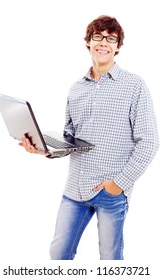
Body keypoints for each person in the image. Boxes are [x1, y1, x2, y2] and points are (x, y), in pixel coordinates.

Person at [19, 15, 159, 260]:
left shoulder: (135, 86)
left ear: (118, 46)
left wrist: (119, 184)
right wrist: (43, 149)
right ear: (88, 42)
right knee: (58, 255)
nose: (103, 42)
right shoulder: (76, 88)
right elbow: (71, 138)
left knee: (110, 259)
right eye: (97, 37)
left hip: (110, 191)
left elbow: (149, 142)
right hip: (75, 187)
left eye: (110, 38)